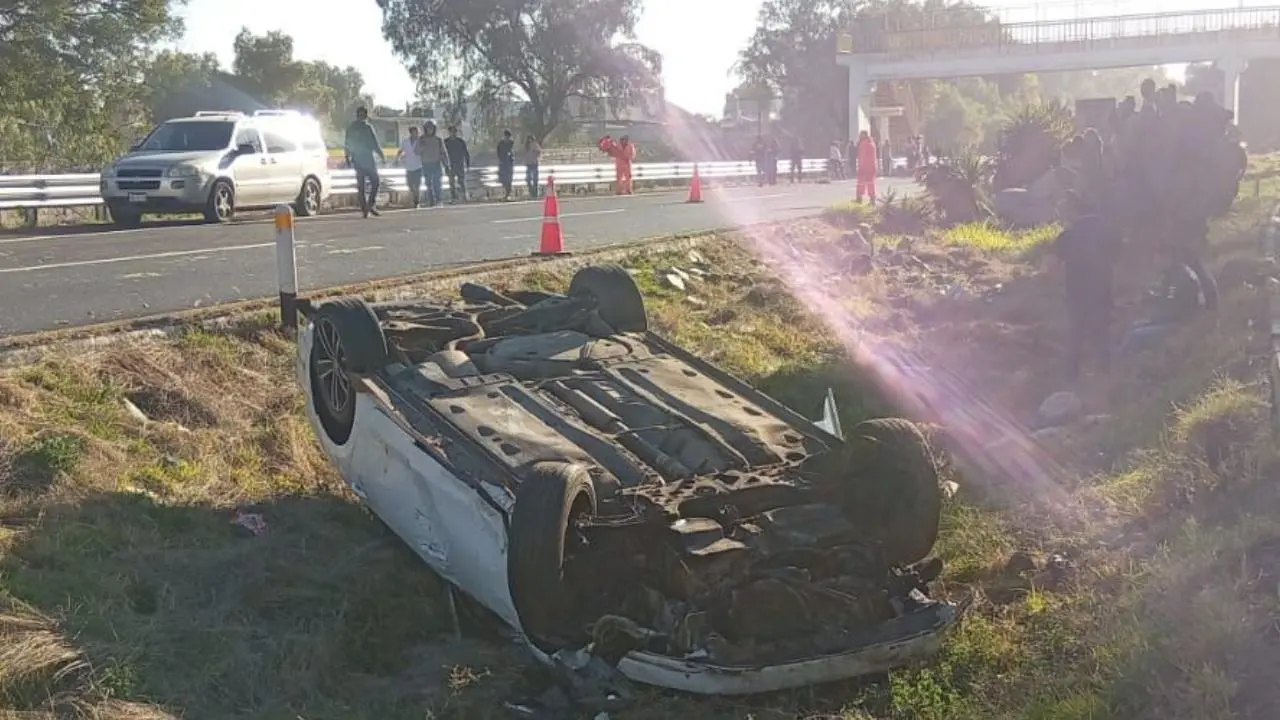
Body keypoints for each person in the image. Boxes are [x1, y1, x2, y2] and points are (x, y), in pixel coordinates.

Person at [1048, 191, 1123, 381]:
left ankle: (1071, 376)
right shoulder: (1109, 230)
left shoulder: (1068, 236)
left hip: (1076, 291)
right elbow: (1118, 258)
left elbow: (1053, 265)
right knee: (1101, 332)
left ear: (1073, 212)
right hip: (1102, 289)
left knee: (1075, 334)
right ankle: (1106, 373)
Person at [344, 106, 385, 218]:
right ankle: (368, 205)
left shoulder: (353, 127)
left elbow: (347, 143)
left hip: (361, 159)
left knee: (364, 183)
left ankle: (367, 207)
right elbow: (374, 143)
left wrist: (347, 157)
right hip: (365, 159)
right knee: (373, 181)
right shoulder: (366, 127)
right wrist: (381, 155)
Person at [416, 121, 448, 207]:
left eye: (431, 128)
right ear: (425, 129)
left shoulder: (438, 140)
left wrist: (446, 164)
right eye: (428, 128)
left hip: (436, 164)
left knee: (437, 183)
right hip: (426, 164)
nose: (430, 129)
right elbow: (416, 152)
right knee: (428, 183)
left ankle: (439, 200)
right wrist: (422, 146)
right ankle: (431, 200)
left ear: (434, 129)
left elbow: (443, 153)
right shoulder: (421, 139)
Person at [395, 126, 423, 209]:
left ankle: (416, 201)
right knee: (410, 184)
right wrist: (396, 159)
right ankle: (415, 196)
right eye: (414, 132)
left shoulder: (420, 141)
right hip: (409, 166)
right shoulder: (405, 142)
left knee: (417, 185)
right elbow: (400, 151)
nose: (415, 134)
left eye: (417, 132)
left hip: (418, 166)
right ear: (411, 133)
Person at [444, 126, 470, 204]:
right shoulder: (446, 142)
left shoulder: (460, 141)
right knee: (451, 182)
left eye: (454, 132)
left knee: (461, 181)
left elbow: (466, 153)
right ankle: (454, 197)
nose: (453, 133)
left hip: (460, 164)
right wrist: (445, 165)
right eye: (451, 132)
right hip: (450, 165)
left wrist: (468, 163)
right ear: (449, 132)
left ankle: (464, 195)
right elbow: (443, 154)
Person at [855, 130, 878, 204]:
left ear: (864, 135)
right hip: (872, 166)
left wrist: (860, 166)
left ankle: (859, 198)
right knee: (871, 183)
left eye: (861, 135)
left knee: (861, 183)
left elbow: (862, 156)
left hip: (864, 166)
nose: (859, 136)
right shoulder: (872, 143)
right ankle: (872, 198)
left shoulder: (863, 144)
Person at [497, 130, 516, 200]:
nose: (507, 138)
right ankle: (507, 192)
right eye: (506, 136)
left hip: (509, 163)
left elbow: (512, 153)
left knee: (509, 179)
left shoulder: (511, 143)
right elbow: (498, 152)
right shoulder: (501, 143)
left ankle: (508, 193)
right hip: (503, 163)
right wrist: (500, 159)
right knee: (503, 179)